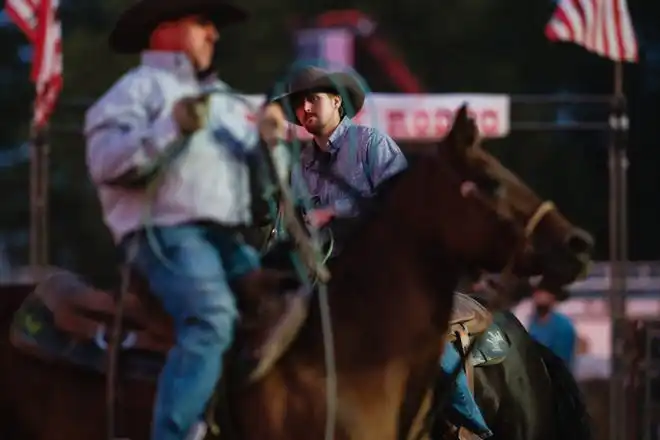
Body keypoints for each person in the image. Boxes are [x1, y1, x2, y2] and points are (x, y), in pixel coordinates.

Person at [84, 1, 293, 439]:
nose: (214, 35)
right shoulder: (134, 91)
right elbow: (106, 163)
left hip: (230, 241)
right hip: (161, 235)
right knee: (210, 316)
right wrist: (171, 128)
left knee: (290, 308)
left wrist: (272, 146)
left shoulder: (231, 103)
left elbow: (268, 188)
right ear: (163, 29)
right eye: (203, 23)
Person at [272, 66, 493, 440]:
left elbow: (403, 210)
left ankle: (474, 425)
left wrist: (334, 214)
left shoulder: (373, 144)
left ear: (337, 102)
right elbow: (290, 223)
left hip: (384, 274)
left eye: (313, 99)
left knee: (421, 336)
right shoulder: (298, 165)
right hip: (325, 279)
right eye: (298, 103)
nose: (305, 108)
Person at [529, 286, 577, 368]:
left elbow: (560, 360)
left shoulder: (563, 326)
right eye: (537, 293)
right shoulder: (531, 322)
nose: (539, 296)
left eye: (544, 293)